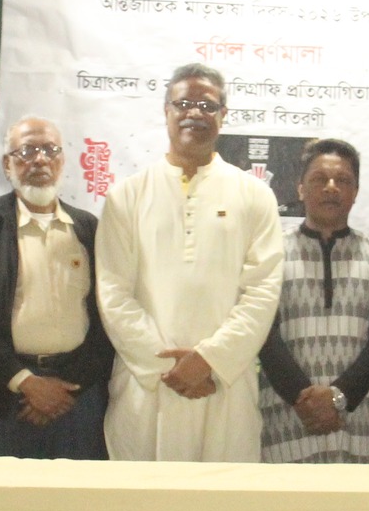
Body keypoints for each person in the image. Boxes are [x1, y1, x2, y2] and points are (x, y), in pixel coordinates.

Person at [96, 64, 283, 462]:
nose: (194, 113)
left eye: (207, 105)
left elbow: (262, 291)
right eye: (183, 104)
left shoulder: (254, 196)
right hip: (148, 387)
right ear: (166, 111)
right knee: (145, 498)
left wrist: (210, 361)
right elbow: (113, 294)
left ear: (223, 115)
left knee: (222, 497)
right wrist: (168, 367)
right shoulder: (126, 197)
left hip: (224, 385)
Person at [0, 116, 113, 459]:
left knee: (74, 492)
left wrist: (65, 390)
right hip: (2, 396)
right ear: (7, 164)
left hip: (75, 397)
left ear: (62, 161)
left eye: (50, 150)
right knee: (0, 493)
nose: (40, 160)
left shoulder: (87, 228)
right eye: (27, 151)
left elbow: (106, 317)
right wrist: (25, 381)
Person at [257, 138, 369, 464]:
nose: (331, 188)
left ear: (356, 191)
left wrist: (338, 397)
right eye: (320, 179)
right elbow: (263, 334)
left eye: (342, 180)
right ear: (300, 188)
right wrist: (303, 399)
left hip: (358, 421)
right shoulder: (269, 254)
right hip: (287, 419)